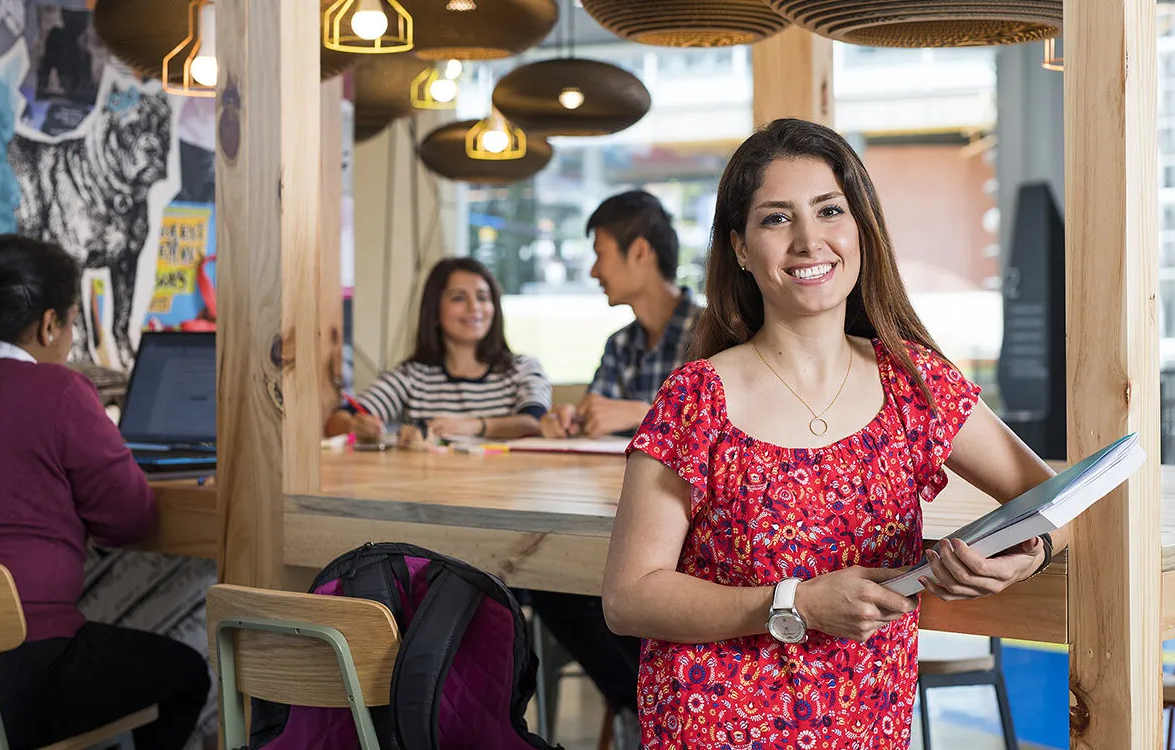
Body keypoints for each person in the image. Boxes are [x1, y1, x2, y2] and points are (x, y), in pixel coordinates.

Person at [601, 119, 1071, 748]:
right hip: (714, 724)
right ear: (740, 248)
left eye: (829, 211)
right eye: (776, 219)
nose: (808, 240)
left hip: (866, 722)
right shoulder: (696, 398)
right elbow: (629, 596)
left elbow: (1059, 502)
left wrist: (1023, 559)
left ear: (860, 230)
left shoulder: (915, 384)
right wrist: (792, 603)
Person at [0, 235, 210, 750]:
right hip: (19, 674)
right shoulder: (60, 393)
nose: (70, 339)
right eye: (74, 323)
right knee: (186, 674)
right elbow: (130, 521)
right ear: (49, 323)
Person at [326, 257, 551, 447]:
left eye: (483, 297)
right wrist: (355, 426)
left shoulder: (523, 369)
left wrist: (473, 426)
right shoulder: (412, 376)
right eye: (459, 298)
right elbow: (336, 422)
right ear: (434, 310)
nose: (475, 308)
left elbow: (536, 422)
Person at [540, 190, 704, 439]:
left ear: (639, 251)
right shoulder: (620, 344)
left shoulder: (717, 333)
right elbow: (597, 416)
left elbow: (734, 438)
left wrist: (646, 415)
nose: (593, 272)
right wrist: (571, 420)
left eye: (599, 254)